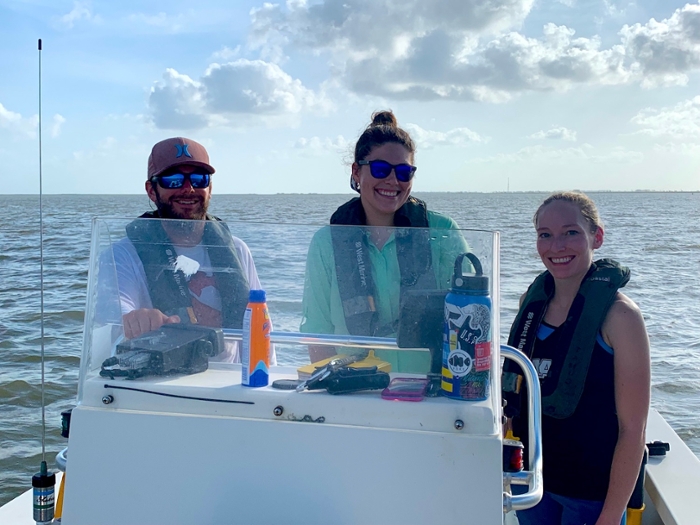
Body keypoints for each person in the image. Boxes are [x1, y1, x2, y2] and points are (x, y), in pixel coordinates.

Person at [502, 191, 650, 525]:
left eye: (571, 232)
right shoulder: (532, 302)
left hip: (592, 497)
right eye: (545, 235)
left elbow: (633, 429)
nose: (557, 247)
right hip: (534, 486)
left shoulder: (620, 316)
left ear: (596, 236)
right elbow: (515, 395)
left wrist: (611, 516)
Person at [300, 111, 468, 374]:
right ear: (356, 172)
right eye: (380, 169)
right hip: (355, 388)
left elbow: (468, 320)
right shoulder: (327, 242)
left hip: (428, 390)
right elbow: (317, 330)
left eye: (404, 172)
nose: (392, 180)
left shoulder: (443, 232)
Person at [113, 137, 272, 363]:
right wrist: (134, 319)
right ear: (151, 190)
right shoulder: (123, 255)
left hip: (228, 386)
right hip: (159, 384)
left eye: (199, 179)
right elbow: (113, 317)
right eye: (173, 180)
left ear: (210, 188)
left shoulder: (237, 249)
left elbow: (261, 325)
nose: (188, 189)